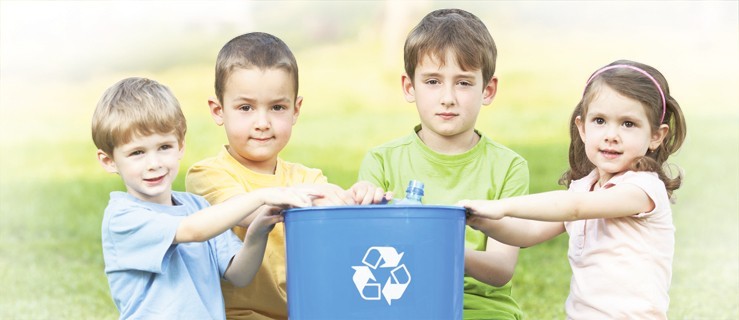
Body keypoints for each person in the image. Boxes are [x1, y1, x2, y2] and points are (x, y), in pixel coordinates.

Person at [460, 59, 687, 319]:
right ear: (582, 127)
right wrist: (481, 221)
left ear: (656, 136)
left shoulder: (643, 189)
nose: (611, 135)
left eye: (628, 124)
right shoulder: (585, 188)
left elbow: (574, 208)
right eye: (600, 120)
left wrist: (501, 206)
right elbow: (527, 232)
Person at [185, 32, 388, 319]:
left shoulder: (307, 178)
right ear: (218, 111)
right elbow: (241, 212)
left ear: (295, 110)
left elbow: (336, 213)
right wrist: (299, 199)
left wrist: (359, 198)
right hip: (233, 314)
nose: (262, 123)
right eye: (245, 108)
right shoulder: (207, 174)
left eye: (277, 107)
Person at [92, 77, 320, 319]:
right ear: (109, 161)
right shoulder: (123, 217)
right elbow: (193, 231)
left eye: (164, 147)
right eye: (137, 153)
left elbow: (239, 274)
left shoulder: (196, 206)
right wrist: (261, 196)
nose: (154, 163)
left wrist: (259, 230)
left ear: (180, 146)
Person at [358, 9, 528, 319]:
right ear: (410, 87)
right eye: (433, 81)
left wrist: (435, 248)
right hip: (402, 304)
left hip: (480, 309)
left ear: (487, 90)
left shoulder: (508, 167)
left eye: (463, 83)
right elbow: (368, 253)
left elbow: (501, 268)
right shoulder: (381, 162)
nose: (447, 97)